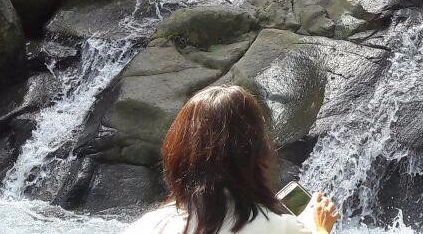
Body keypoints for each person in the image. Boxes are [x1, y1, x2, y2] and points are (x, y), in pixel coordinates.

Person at [125, 85, 340, 234]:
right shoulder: (282, 229)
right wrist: (317, 228)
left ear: (177, 154)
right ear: (255, 155)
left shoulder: (145, 226)